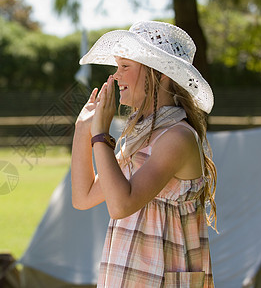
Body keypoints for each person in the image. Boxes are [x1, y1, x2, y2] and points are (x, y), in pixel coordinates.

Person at [71, 21, 217, 287]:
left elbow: (120, 206)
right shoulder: (140, 138)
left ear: (160, 75)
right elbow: (83, 197)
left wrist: (101, 136)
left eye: (125, 66)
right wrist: (84, 132)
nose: (116, 76)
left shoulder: (177, 137)